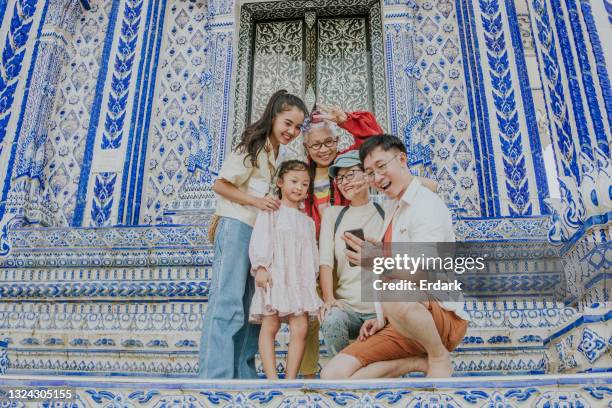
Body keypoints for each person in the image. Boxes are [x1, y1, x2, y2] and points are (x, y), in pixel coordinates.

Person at [321, 134, 469, 379]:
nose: (377, 178)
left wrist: (375, 259)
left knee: (394, 293)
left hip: (439, 317)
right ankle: (416, 362)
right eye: (370, 172)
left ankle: (438, 355)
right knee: (333, 375)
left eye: (381, 166)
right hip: (400, 321)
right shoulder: (393, 207)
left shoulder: (426, 206)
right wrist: (381, 319)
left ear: (402, 159)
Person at [198, 90, 308, 379]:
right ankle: (215, 377)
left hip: (259, 236)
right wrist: (257, 202)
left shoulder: (275, 155)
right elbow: (220, 185)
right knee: (228, 301)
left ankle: (242, 374)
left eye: (297, 127)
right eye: (287, 123)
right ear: (273, 117)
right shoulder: (252, 145)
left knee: (252, 308)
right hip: (236, 227)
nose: (291, 131)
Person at [249, 160, 322, 379]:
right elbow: (261, 238)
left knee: (300, 328)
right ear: (280, 182)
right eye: (294, 181)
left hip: (299, 281)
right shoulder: (271, 211)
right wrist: (260, 266)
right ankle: (272, 379)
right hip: (276, 277)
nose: (299, 187)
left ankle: (289, 380)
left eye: (305, 184)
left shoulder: (307, 221)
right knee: (270, 324)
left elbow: (311, 254)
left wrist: (313, 279)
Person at [317, 150, 383, 356]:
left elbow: (431, 187)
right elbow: (325, 261)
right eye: (340, 178)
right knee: (332, 318)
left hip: (383, 309)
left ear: (367, 173)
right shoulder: (333, 214)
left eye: (351, 174)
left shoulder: (388, 210)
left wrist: (376, 175)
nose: (344, 182)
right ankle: (342, 374)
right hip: (349, 309)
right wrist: (329, 299)